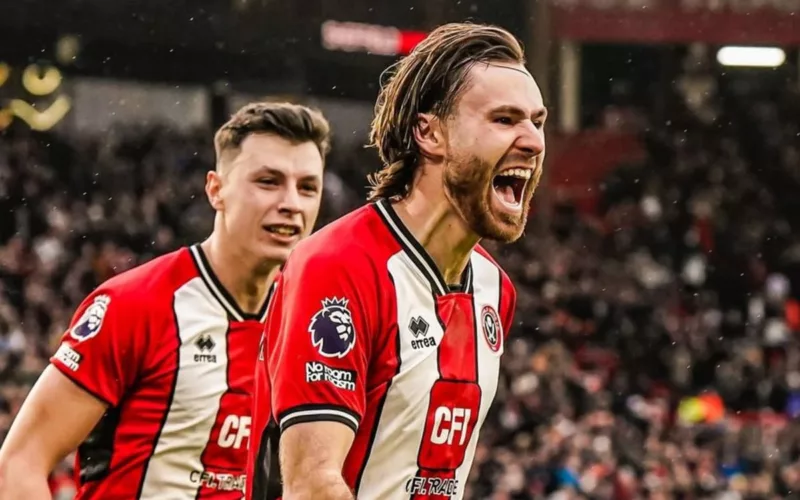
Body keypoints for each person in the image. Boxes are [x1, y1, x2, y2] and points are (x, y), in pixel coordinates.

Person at [247, 22, 546, 500]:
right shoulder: (338, 266)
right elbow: (311, 485)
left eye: (537, 121)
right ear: (429, 133)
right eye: (505, 120)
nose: (532, 141)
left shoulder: (495, 290)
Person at [0, 101, 331, 499]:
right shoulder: (135, 305)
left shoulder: (313, 330)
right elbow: (20, 463)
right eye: (268, 181)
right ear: (216, 189)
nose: (291, 203)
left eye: (307, 187)